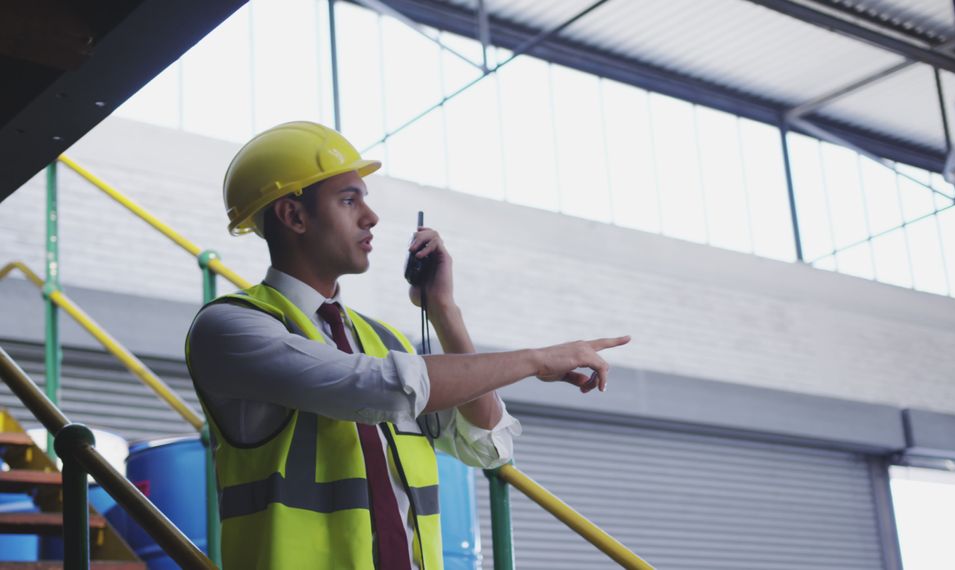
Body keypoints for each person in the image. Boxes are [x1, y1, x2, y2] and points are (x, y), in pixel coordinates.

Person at [185, 121, 630, 570]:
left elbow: (487, 443)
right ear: (294, 216)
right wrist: (537, 359)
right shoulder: (231, 328)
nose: (371, 216)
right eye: (348, 200)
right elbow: (372, 389)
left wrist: (443, 309)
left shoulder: (384, 341)